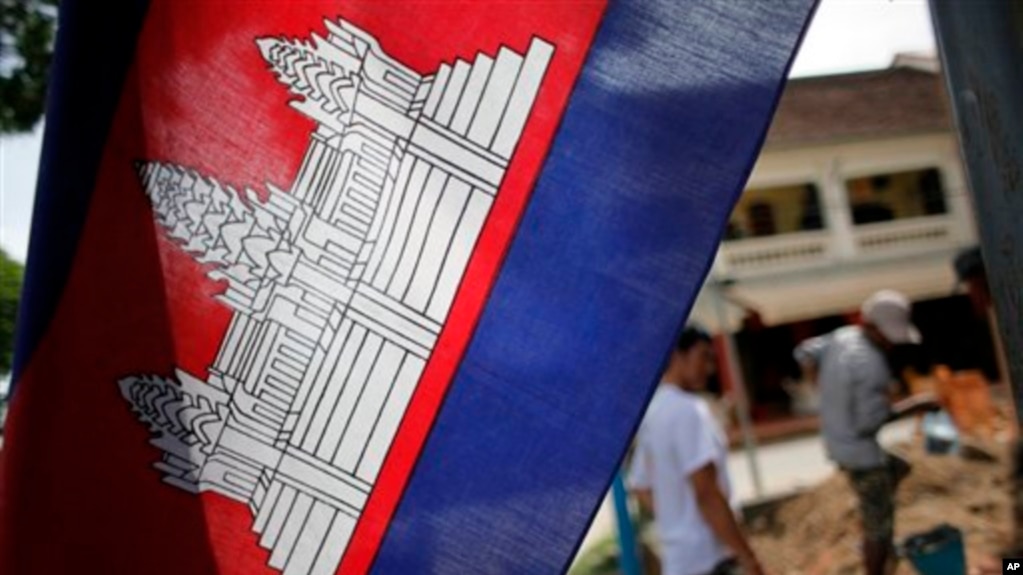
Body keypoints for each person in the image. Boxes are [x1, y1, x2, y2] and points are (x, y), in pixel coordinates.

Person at [794, 290, 939, 575]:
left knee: (899, 468)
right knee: (879, 526)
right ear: (874, 328)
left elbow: (803, 352)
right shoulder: (872, 366)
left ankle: (879, 536)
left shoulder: (842, 337)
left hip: (837, 443)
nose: (890, 344)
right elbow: (869, 422)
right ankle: (876, 558)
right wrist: (916, 405)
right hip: (861, 453)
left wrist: (823, 387)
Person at [629, 326, 764, 575]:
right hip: (709, 558)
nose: (710, 368)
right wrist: (748, 557)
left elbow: (640, 486)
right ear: (678, 356)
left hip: (680, 559)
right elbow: (707, 493)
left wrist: (677, 520)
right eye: (703, 356)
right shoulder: (688, 410)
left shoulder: (654, 411)